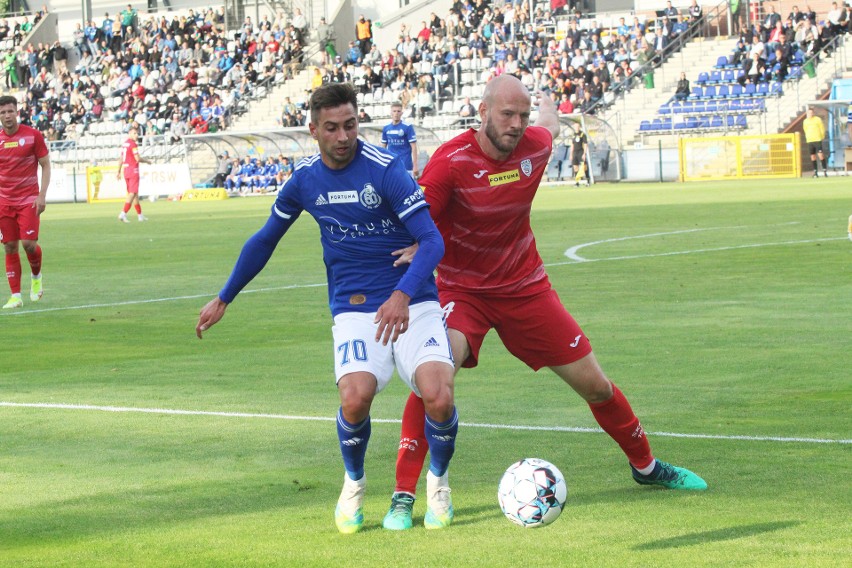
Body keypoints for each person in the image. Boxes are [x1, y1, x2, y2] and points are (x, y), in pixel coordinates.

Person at [380, 74, 707, 531]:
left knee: (596, 386)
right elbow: (417, 221)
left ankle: (647, 468)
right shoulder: (449, 162)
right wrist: (416, 245)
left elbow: (550, 125)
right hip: (463, 292)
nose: (516, 124)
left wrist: (549, 104)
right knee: (433, 378)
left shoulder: (536, 144)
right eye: (507, 114)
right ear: (482, 112)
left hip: (526, 289)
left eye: (522, 115)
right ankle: (403, 495)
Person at [195, 83, 458, 534]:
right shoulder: (304, 180)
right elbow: (264, 240)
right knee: (354, 399)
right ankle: (353, 486)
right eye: (332, 128)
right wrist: (225, 296)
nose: (343, 136)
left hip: (413, 300)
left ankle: (438, 485)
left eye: (351, 125)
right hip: (354, 307)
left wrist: (401, 294)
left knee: (439, 393)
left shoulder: (387, 170)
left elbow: (433, 241)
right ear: (313, 129)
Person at [0, 95, 51, 309]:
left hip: (29, 199)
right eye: (2, 112)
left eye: (10, 111)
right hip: (4, 201)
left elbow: (46, 165)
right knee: (10, 246)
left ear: (17, 112)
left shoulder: (33, 136)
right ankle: (15, 296)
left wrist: (42, 195)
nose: (7, 115)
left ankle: (36, 276)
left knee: (29, 244)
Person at [116, 125, 150, 222]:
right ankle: (123, 213)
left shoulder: (124, 144)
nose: (137, 135)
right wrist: (147, 161)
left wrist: (118, 171)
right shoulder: (133, 144)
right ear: (129, 134)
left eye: (137, 133)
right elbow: (137, 159)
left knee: (135, 194)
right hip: (133, 170)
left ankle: (140, 215)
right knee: (132, 193)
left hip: (126, 170)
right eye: (134, 133)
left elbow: (121, 158)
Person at [381, 101, 419, 178]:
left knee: (408, 189)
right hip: (392, 165)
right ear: (391, 112)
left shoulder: (407, 127)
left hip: (406, 165)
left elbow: (414, 147)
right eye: (394, 111)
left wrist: (415, 165)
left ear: (401, 113)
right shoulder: (386, 128)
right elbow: (383, 148)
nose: (396, 113)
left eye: (398, 111)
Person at [802, 107, 828, 177]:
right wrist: (807, 137)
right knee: (812, 156)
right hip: (810, 140)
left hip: (817, 139)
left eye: (811, 112)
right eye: (809, 113)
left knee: (820, 155)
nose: (810, 114)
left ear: (813, 113)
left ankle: (824, 171)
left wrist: (822, 136)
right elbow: (805, 129)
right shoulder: (805, 121)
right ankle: (815, 172)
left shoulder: (817, 120)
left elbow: (822, 128)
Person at [569, 122, 589, 186]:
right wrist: (571, 154)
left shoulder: (582, 134)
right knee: (575, 167)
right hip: (575, 153)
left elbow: (585, 144)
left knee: (584, 166)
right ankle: (577, 182)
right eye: (575, 126)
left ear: (579, 127)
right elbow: (572, 145)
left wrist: (584, 153)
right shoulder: (573, 135)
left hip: (581, 152)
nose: (576, 128)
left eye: (578, 126)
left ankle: (588, 180)